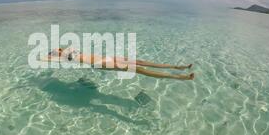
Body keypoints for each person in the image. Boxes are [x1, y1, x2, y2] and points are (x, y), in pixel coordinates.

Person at [44, 47, 194, 80]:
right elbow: (45, 59)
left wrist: (59, 49)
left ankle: (176, 67)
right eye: (55, 51)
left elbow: (64, 48)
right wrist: (50, 56)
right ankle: (181, 77)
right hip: (102, 63)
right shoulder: (62, 57)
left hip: (106, 57)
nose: (57, 49)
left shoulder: (68, 50)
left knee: (140, 62)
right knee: (139, 69)